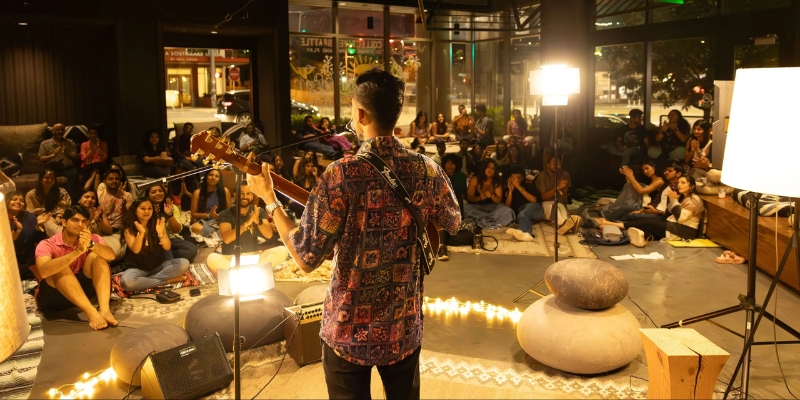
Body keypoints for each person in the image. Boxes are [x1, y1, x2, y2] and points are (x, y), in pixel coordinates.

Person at [246, 69, 460, 399]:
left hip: (348, 332)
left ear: (359, 113)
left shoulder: (341, 175)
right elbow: (454, 220)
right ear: (397, 112)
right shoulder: (426, 168)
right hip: (402, 326)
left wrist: (270, 200)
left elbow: (305, 257)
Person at [34, 205, 117, 330]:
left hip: (83, 290)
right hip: (55, 297)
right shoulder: (47, 244)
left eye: (84, 221)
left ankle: (104, 310)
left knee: (98, 256)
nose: (80, 224)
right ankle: (92, 313)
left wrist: (90, 244)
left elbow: (111, 256)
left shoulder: (92, 238)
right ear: (64, 222)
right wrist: (77, 251)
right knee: (59, 266)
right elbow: (43, 271)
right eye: (75, 220)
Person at [599, 176, 704, 241]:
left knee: (648, 223)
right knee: (644, 220)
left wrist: (673, 201)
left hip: (684, 231)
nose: (679, 185)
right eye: (679, 183)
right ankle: (643, 236)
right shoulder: (682, 197)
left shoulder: (694, 200)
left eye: (683, 183)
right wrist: (671, 200)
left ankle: (612, 224)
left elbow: (681, 218)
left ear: (692, 186)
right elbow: (668, 214)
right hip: (674, 223)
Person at [120, 198, 190, 291]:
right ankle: (167, 281)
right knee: (126, 282)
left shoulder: (158, 224)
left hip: (159, 266)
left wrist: (161, 234)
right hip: (137, 269)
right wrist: (141, 234)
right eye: (143, 208)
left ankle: (147, 281)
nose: (146, 211)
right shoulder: (129, 229)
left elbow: (167, 247)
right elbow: (136, 250)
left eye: (150, 209)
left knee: (185, 263)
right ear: (135, 211)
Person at [598, 161, 665, 222]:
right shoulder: (651, 181)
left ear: (653, 168)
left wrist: (630, 176)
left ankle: (606, 219)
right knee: (629, 185)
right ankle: (611, 215)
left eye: (647, 168)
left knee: (623, 208)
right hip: (643, 203)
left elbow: (642, 191)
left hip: (647, 205)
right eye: (643, 170)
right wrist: (629, 176)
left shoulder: (660, 181)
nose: (645, 171)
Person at [146, 184, 197, 262]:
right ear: (148, 195)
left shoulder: (172, 207)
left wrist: (169, 214)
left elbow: (177, 230)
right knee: (162, 228)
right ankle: (166, 259)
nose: (158, 193)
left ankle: (162, 257)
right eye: (153, 192)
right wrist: (154, 215)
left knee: (192, 250)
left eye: (160, 191)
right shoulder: (144, 209)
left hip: (170, 240)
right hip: (151, 243)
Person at [8, 191, 49, 280]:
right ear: (6, 201)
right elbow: (7, 243)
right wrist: (18, 229)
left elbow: (37, 239)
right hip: (9, 261)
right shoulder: (1, 217)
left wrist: (38, 227)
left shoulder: (30, 217)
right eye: (14, 199)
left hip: (28, 262)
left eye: (21, 200)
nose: (18, 202)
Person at [465, 159, 515, 229]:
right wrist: (479, 198)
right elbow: (470, 197)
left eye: (493, 168)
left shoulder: (496, 182)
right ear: (484, 168)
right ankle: (488, 220)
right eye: (488, 167)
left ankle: (483, 221)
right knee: (465, 209)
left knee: (508, 211)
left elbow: (498, 201)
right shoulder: (475, 179)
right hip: (477, 207)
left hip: (493, 209)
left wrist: (492, 196)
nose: (490, 170)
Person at [38, 123, 79, 195]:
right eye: (57, 130)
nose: (60, 132)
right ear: (53, 131)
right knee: (46, 177)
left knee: (74, 175)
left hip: (68, 168)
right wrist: (53, 155)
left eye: (62, 130)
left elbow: (75, 156)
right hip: (52, 169)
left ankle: (70, 199)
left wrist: (67, 152)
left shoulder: (70, 142)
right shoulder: (45, 143)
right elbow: (41, 158)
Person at [504, 165, 544, 242]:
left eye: (517, 178)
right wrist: (510, 192)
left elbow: (533, 200)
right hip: (522, 215)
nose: (514, 180)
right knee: (522, 215)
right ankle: (527, 234)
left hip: (535, 209)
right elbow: (507, 207)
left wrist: (519, 187)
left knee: (524, 213)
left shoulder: (528, 185)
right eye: (513, 178)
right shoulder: (508, 188)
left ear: (522, 178)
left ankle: (521, 231)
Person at [190, 169, 231, 238]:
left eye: (216, 176)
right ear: (206, 177)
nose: (213, 178)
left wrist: (219, 216)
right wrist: (209, 215)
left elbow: (229, 211)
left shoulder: (225, 191)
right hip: (204, 221)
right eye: (211, 175)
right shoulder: (197, 192)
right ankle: (216, 235)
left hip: (220, 220)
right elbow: (193, 214)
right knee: (195, 228)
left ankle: (214, 235)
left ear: (219, 179)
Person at [534, 156, 571, 227]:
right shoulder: (543, 175)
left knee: (562, 210)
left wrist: (565, 207)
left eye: (557, 162)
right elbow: (543, 197)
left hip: (559, 202)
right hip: (544, 203)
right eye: (552, 162)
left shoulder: (565, 175)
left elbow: (565, 194)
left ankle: (565, 221)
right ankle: (564, 223)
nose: (555, 164)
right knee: (559, 215)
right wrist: (557, 187)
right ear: (548, 164)